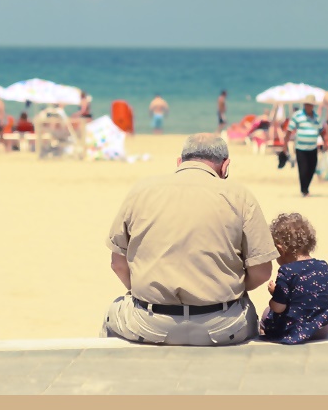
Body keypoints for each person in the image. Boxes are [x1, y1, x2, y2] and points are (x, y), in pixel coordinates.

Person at [102, 133, 279, 346]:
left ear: (179, 162)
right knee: (253, 316)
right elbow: (262, 272)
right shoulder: (240, 196)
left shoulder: (142, 191)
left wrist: (145, 292)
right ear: (225, 166)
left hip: (149, 323)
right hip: (222, 325)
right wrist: (229, 289)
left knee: (112, 314)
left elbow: (117, 264)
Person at [259, 213, 328, 345]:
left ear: (280, 249)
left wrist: (275, 295)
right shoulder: (324, 267)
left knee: (267, 313)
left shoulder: (287, 271)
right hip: (321, 329)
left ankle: (266, 337)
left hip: (293, 328)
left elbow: (279, 307)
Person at [284, 95, 326, 198]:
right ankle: (304, 190)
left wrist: (325, 143)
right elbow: (289, 131)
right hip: (300, 148)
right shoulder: (297, 116)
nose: (308, 107)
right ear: (304, 105)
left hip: (312, 148)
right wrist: (285, 145)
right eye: (307, 105)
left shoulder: (316, 117)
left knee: (311, 169)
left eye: (310, 105)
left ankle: (306, 188)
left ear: (313, 106)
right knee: (303, 170)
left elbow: (321, 131)